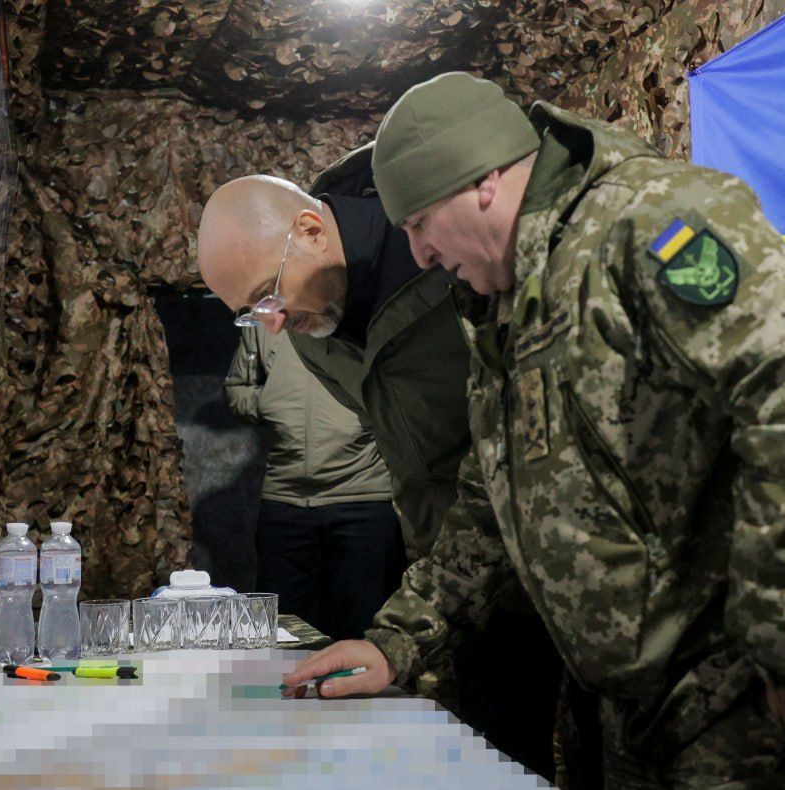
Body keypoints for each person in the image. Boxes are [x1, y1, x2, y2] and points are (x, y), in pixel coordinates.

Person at [282, 71, 785, 788]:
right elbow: (492, 499)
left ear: (481, 182)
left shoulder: (646, 221)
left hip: (742, 688)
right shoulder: (502, 299)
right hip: (624, 699)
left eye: (419, 224)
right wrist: (395, 642)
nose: (418, 254)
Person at [198, 166, 563, 778]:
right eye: (251, 312)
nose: (274, 324)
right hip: (453, 573)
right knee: (480, 755)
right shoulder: (310, 323)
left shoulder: (445, 256)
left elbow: (502, 458)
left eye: (268, 294)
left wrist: (405, 630)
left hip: (541, 555)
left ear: (311, 231)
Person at [224, 325, 405, 640]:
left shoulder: (368, 313)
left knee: (363, 633)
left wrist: (372, 411)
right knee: (280, 634)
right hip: (285, 501)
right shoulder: (266, 320)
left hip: (363, 499)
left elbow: (410, 385)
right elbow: (237, 388)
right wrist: (270, 401)